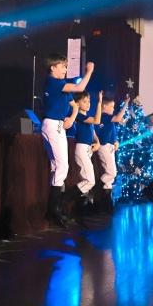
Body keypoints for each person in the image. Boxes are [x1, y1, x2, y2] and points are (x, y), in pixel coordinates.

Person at [41, 54, 94, 228]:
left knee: (58, 167)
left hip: (59, 126)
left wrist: (71, 118)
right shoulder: (53, 82)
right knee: (62, 166)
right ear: (53, 68)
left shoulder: (62, 86)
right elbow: (80, 87)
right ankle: (53, 209)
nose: (65, 69)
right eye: (62, 66)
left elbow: (74, 105)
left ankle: (54, 208)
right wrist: (89, 71)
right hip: (52, 125)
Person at [64, 90, 102, 227]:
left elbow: (94, 134)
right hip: (81, 148)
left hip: (88, 150)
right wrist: (99, 103)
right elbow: (97, 120)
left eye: (89, 101)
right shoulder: (79, 116)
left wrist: (98, 143)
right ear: (77, 104)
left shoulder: (87, 118)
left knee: (85, 185)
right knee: (90, 181)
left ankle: (78, 216)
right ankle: (64, 199)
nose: (88, 104)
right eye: (85, 101)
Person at [96, 94, 129, 213]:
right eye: (111, 106)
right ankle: (94, 190)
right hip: (104, 146)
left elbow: (111, 133)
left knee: (109, 178)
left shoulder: (109, 120)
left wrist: (116, 141)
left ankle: (106, 205)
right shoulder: (105, 116)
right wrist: (125, 105)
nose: (113, 109)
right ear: (104, 107)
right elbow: (118, 118)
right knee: (111, 173)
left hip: (110, 147)